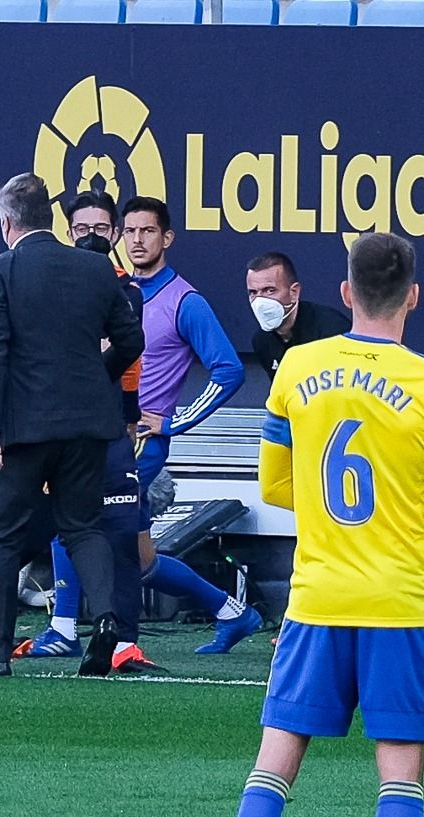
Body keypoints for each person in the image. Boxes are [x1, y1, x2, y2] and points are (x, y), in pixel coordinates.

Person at [236, 232, 424, 817]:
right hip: (401, 600)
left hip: (316, 597)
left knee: (273, 766)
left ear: (346, 292)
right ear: (412, 297)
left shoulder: (296, 364)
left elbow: (275, 487)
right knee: (399, 775)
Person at [0, 173, 143, 677]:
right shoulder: (95, 270)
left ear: (6, 224)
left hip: (24, 427)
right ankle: (108, 621)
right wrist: (95, 379)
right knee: (84, 528)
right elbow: (131, 342)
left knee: (2, 537)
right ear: (52, 221)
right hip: (90, 423)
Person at [13, 190, 160, 674]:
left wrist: (129, 411)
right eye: (82, 230)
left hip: (107, 427)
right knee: (27, 528)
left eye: (101, 229)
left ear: (114, 233)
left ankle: (121, 643)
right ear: (67, 233)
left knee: (120, 533)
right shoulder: (46, 283)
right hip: (47, 425)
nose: (92, 237)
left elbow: (129, 360)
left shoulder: (128, 291)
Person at [122, 196, 261, 654]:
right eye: (130, 231)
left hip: (142, 445)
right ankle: (232, 611)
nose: (137, 240)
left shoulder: (185, 300)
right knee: (142, 562)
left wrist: (172, 422)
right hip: (108, 433)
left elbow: (228, 371)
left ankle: (65, 629)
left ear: (167, 238)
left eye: (147, 231)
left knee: (76, 517)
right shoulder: (117, 291)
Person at [247, 251, 349, 381]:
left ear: (294, 292)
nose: (260, 301)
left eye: (270, 290)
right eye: (253, 292)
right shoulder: (262, 341)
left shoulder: (332, 332)